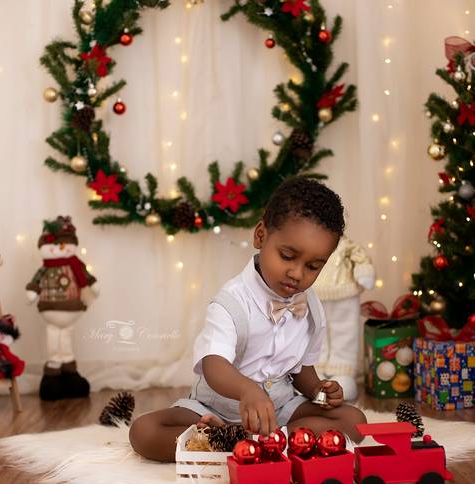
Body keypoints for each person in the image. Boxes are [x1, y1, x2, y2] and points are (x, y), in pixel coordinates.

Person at [129, 177, 367, 462]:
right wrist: (247, 391)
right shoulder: (232, 302)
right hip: (215, 409)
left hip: (280, 409)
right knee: (144, 431)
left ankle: (262, 442)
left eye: (313, 266)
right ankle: (225, 437)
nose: (297, 273)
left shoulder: (310, 307)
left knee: (355, 421)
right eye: (287, 256)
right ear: (260, 235)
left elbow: (301, 368)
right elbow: (213, 364)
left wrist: (317, 389)